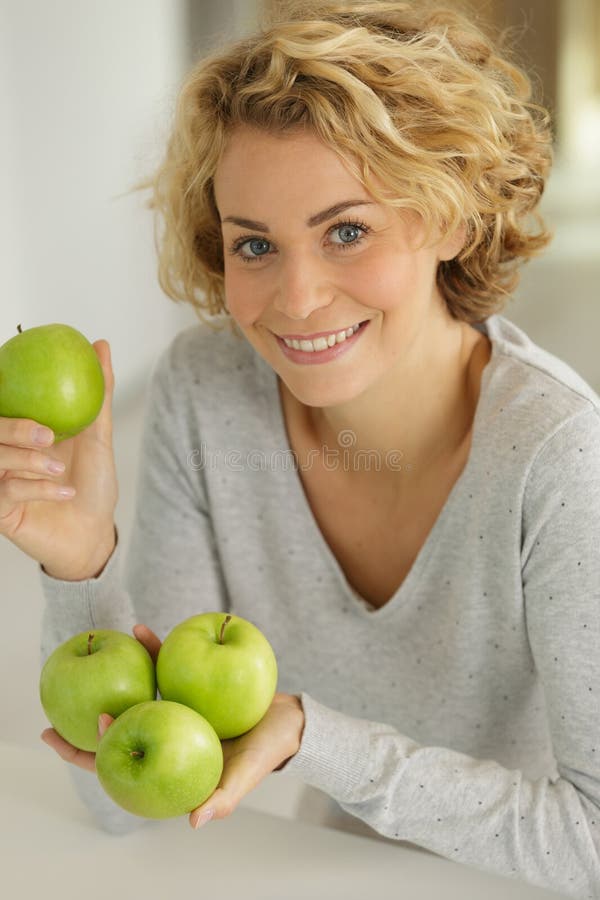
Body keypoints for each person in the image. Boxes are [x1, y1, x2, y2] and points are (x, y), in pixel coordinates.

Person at [1, 0, 598, 895]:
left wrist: (318, 740)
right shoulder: (208, 396)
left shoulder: (559, 459)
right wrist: (85, 569)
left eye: (345, 230)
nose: (297, 297)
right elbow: (132, 802)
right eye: (254, 244)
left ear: (454, 218)